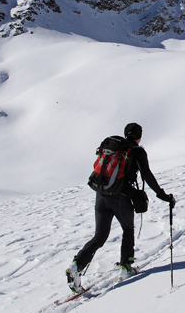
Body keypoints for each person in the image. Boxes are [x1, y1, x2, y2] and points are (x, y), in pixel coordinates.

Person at [66, 122, 175, 292]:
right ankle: (126, 267)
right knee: (128, 229)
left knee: (100, 236)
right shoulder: (137, 151)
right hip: (120, 198)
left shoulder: (113, 148)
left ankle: (76, 266)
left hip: (101, 195)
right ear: (139, 136)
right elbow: (147, 175)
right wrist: (162, 194)